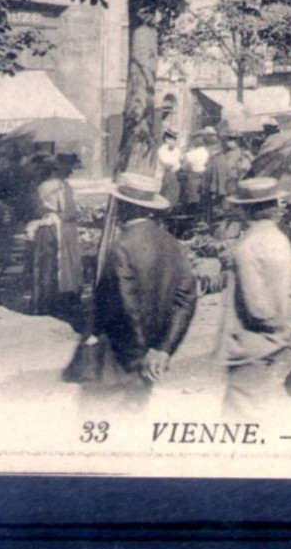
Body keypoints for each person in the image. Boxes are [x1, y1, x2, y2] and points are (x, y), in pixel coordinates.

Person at [68, 172, 198, 413]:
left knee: (100, 427)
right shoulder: (172, 245)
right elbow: (186, 301)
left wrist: (138, 353)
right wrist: (162, 349)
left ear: (121, 206)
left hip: (116, 361)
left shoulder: (122, 247)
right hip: (150, 361)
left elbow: (125, 304)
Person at [218, 176, 291, 418]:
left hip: (250, 345)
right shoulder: (280, 240)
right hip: (272, 345)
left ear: (246, 211)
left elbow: (255, 306)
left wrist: (278, 327)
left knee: (239, 420)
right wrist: (286, 326)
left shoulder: (249, 246)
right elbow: (289, 292)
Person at [28, 154, 84, 327]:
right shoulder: (60, 186)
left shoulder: (41, 186)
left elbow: (37, 208)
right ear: (59, 168)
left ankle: (46, 301)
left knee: (47, 265)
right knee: (63, 264)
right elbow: (65, 210)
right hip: (60, 227)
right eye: (68, 169)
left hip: (46, 227)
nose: (70, 172)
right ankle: (63, 300)